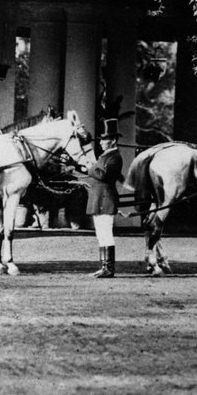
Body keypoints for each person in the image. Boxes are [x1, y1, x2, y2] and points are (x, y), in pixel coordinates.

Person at [83, 118, 125, 278]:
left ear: (113, 141)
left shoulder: (115, 157)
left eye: (104, 140)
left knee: (106, 233)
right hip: (99, 199)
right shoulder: (106, 156)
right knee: (101, 234)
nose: (101, 142)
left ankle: (109, 268)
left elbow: (104, 175)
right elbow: (97, 172)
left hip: (106, 200)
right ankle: (104, 267)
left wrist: (89, 167)